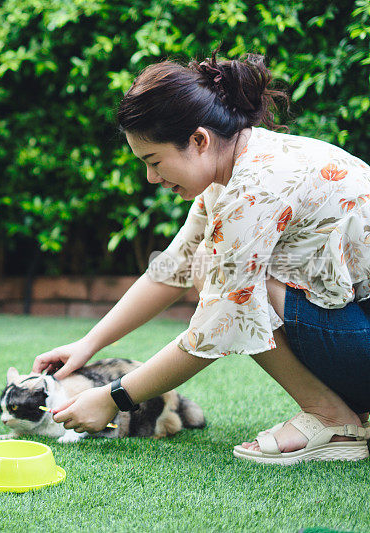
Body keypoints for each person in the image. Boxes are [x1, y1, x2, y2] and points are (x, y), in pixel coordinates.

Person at [32, 51, 370, 464]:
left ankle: (331, 418)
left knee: (224, 281)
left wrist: (114, 397)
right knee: (211, 269)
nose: (152, 178)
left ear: (198, 140)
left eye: (153, 162)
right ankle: (344, 412)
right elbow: (170, 270)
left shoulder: (255, 187)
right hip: (357, 332)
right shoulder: (238, 167)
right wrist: (88, 344)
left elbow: (216, 325)